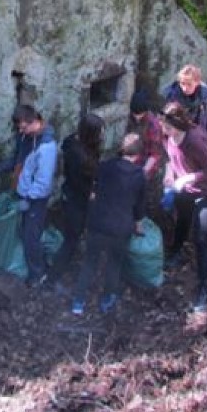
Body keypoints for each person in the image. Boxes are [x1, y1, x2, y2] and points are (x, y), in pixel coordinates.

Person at [71, 133, 147, 316]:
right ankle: (106, 300)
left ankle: (78, 302)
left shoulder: (105, 167)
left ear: (121, 150)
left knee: (90, 262)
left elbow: (94, 191)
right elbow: (139, 205)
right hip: (120, 228)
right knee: (114, 264)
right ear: (138, 155)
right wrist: (138, 224)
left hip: (98, 223)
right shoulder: (139, 176)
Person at [159, 102, 207, 313]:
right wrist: (170, 174)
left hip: (206, 191)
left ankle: (204, 288)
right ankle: (175, 253)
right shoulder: (169, 136)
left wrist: (186, 178)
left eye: (167, 128)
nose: (164, 131)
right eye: (163, 127)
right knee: (182, 221)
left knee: (201, 239)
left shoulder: (195, 141)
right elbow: (169, 157)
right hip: (184, 187)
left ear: (178, 125)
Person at [48, 113, 105, 284]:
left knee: (72, 233)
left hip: (70, 194)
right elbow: (83, 183)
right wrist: (92, 194)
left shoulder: (71, 141)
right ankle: (53, 276)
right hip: (77, 200)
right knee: (71, 240)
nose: (102, 135)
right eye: (99, 132)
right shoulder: (82, 160)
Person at [15, 106, 58, 288]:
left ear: (34, 122)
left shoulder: (47, 147)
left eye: (23, 127)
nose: (20, 131)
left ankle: (38, 274)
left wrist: (28, 197)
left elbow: (43, 181)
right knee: (29, 232)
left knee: (31, 237)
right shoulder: (32, 137)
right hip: (28, 195)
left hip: (35, 200)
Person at [162, 64, 207, 136]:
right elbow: (163, 121)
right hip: (176, 136)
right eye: (182, 83)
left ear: (197, 82)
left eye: (189, 84)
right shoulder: (170, 95)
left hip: (198, 135)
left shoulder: (206, 97)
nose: (185, 88)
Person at [0, 104, 36, 190]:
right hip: (21, 184)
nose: (20, 130)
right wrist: (2, 166)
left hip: (30, 188)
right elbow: (19, 157)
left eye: (23, 127)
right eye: (18, 128)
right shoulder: (23, 136)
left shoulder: (42, 144)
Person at [126, 90, 164, 182]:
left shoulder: (153, 126)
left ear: (145, 111)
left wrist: (143, 172)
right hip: (133, 162)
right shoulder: (132, 118)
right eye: (134, 113)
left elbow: (155, 154)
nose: (136, 117)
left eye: (139, 114)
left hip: (147, 166)